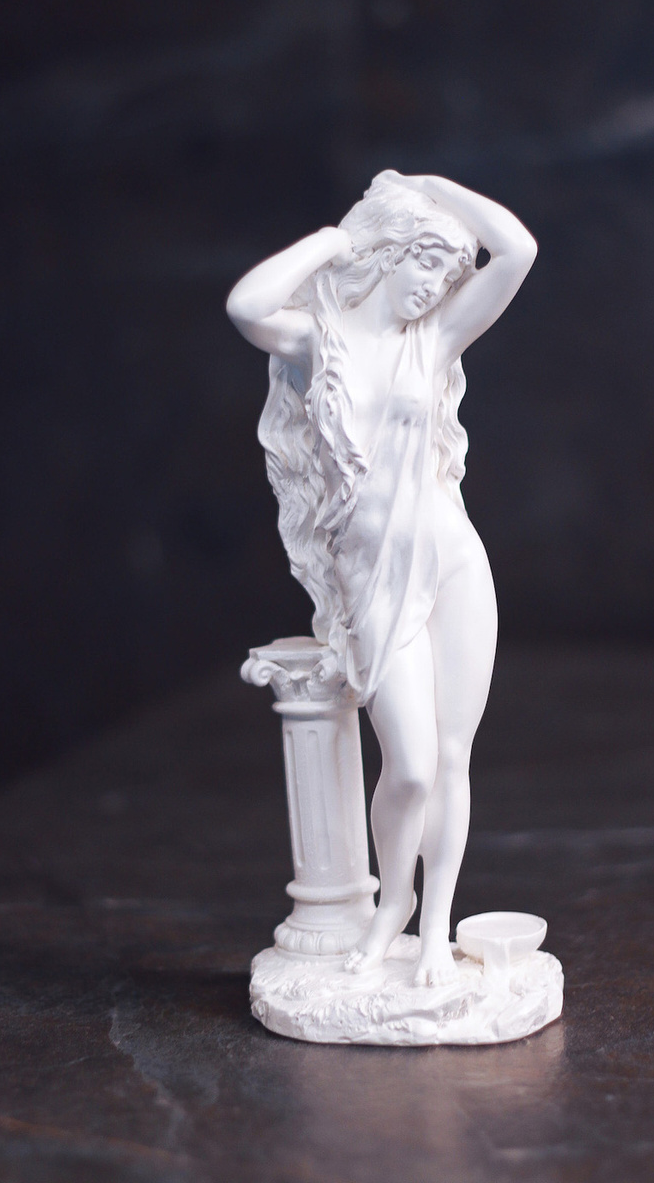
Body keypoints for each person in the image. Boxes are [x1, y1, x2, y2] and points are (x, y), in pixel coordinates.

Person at [227, 171, 536, 985]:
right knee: (409, 766)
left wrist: (432, 185)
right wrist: (337, 240)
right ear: (388, 253)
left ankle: (433, 928)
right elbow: (246, 306)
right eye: (425, 262)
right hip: (374, 580)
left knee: (451, 758)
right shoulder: (316, 343)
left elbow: (516, 250)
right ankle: (391, 904)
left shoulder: (432, 340)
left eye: (449, 273)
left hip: (453, 560)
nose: (436, 285)